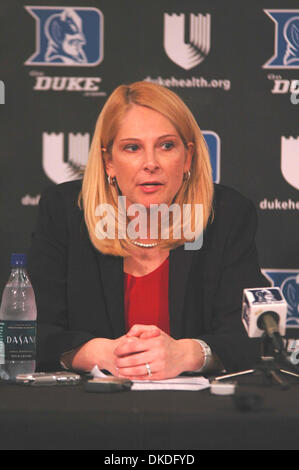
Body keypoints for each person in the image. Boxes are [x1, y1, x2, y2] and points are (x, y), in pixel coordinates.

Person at [27, 81, 269, 380]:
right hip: (88, 413)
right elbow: (28, 330)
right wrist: (92, 352)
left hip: (196, 414)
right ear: (109, 162)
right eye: (132, 148)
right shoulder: (65, 213)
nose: (151, 163)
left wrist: (189, 354)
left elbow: (250, 334)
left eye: (167, 146)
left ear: (188, 157)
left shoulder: (226, 215)